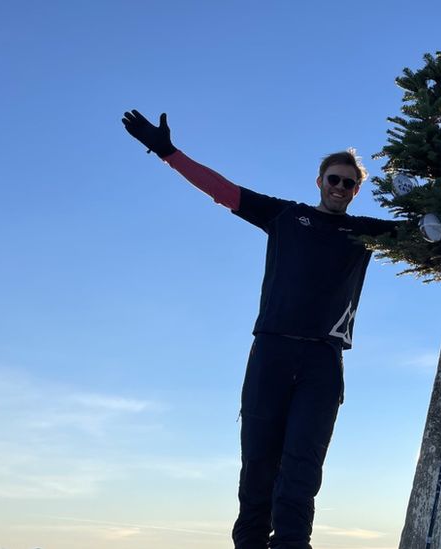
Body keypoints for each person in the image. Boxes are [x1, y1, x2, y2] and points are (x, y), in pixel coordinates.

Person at [122, 109, 397, 549]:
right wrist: (167, 152)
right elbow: (223, 191)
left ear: (357, 190)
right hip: (271, 353)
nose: (340, 188)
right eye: (334, 179)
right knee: (257, 466)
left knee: (302, 468)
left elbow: (430, 234)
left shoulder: (365, 232)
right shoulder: (285, 216)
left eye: (349, 183)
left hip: (323, 362)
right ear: (319, 181)